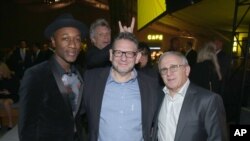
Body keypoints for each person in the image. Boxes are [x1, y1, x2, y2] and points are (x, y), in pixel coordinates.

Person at [18, 13, 87, 141]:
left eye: (77, 39)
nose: (73, 44)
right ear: (54, 42)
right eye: (65, 38)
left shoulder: (80, 74)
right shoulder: (36, 75)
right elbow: (27, 127)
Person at [83, 32, 162, 141]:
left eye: (129, 53)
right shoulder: (91, 80)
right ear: (111, 55)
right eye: (118, 52)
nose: (123, 58)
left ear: (137, 57)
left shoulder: (151, 85)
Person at [152, 51, 228, 141]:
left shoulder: (208, 100)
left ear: (187, 70)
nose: (168, 73)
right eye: (164, 70)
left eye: (174, 67)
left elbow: (218, 138)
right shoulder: (157, 95)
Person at [0, 62, 20, 129]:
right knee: (4, 101)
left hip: (13, 95)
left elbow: (16, 89)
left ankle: (10, 123)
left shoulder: (13, 77)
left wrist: (9, 92)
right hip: (2, 96)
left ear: (4, 69)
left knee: (6, 103)